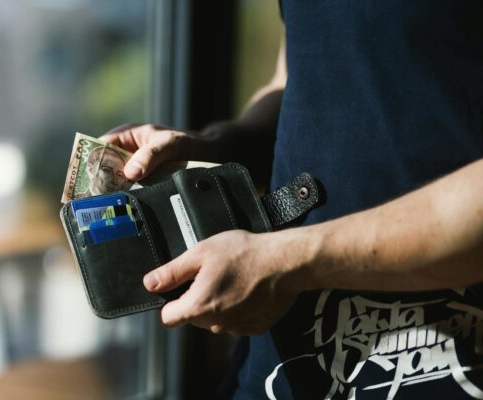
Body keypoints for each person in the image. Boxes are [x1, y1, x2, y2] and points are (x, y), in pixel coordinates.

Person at [102, 1, 483, 398]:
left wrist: (290, 262)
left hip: (447, 366)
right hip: (280, 369)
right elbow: (300, 74)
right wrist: (216, 146)